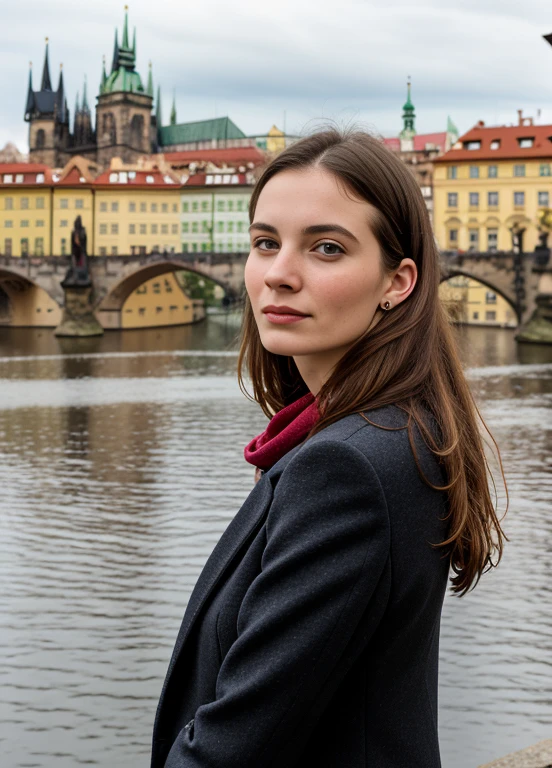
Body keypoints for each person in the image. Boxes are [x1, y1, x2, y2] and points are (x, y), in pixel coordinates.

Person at [151, 127, 507, 768]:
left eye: (326, 248)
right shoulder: (397, 428)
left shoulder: (345, 467)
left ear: (397, 282)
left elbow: (233, 749)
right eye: (265, 243)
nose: (278, 275)